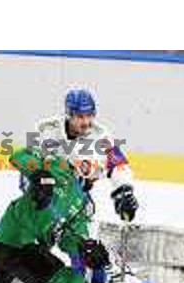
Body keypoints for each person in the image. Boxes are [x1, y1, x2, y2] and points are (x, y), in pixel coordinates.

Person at [0, 145, 96, 283]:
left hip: (31, 254)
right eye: (95, 167)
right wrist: (40, 175)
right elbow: (18, 156)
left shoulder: (82, 203)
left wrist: (83, 248)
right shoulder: (57, 166)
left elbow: (68, 238)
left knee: (74, 281)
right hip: (7, 247)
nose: (97, 174)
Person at [36, 89, 138, 222]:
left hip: (75, 201)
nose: (86, 122)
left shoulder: (100, 135)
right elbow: (31, 165)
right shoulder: (49, 131)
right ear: (69, 115)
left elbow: (118, 165)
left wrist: (124, 189)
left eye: (90, 115)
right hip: (45, 197)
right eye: (80, 116)